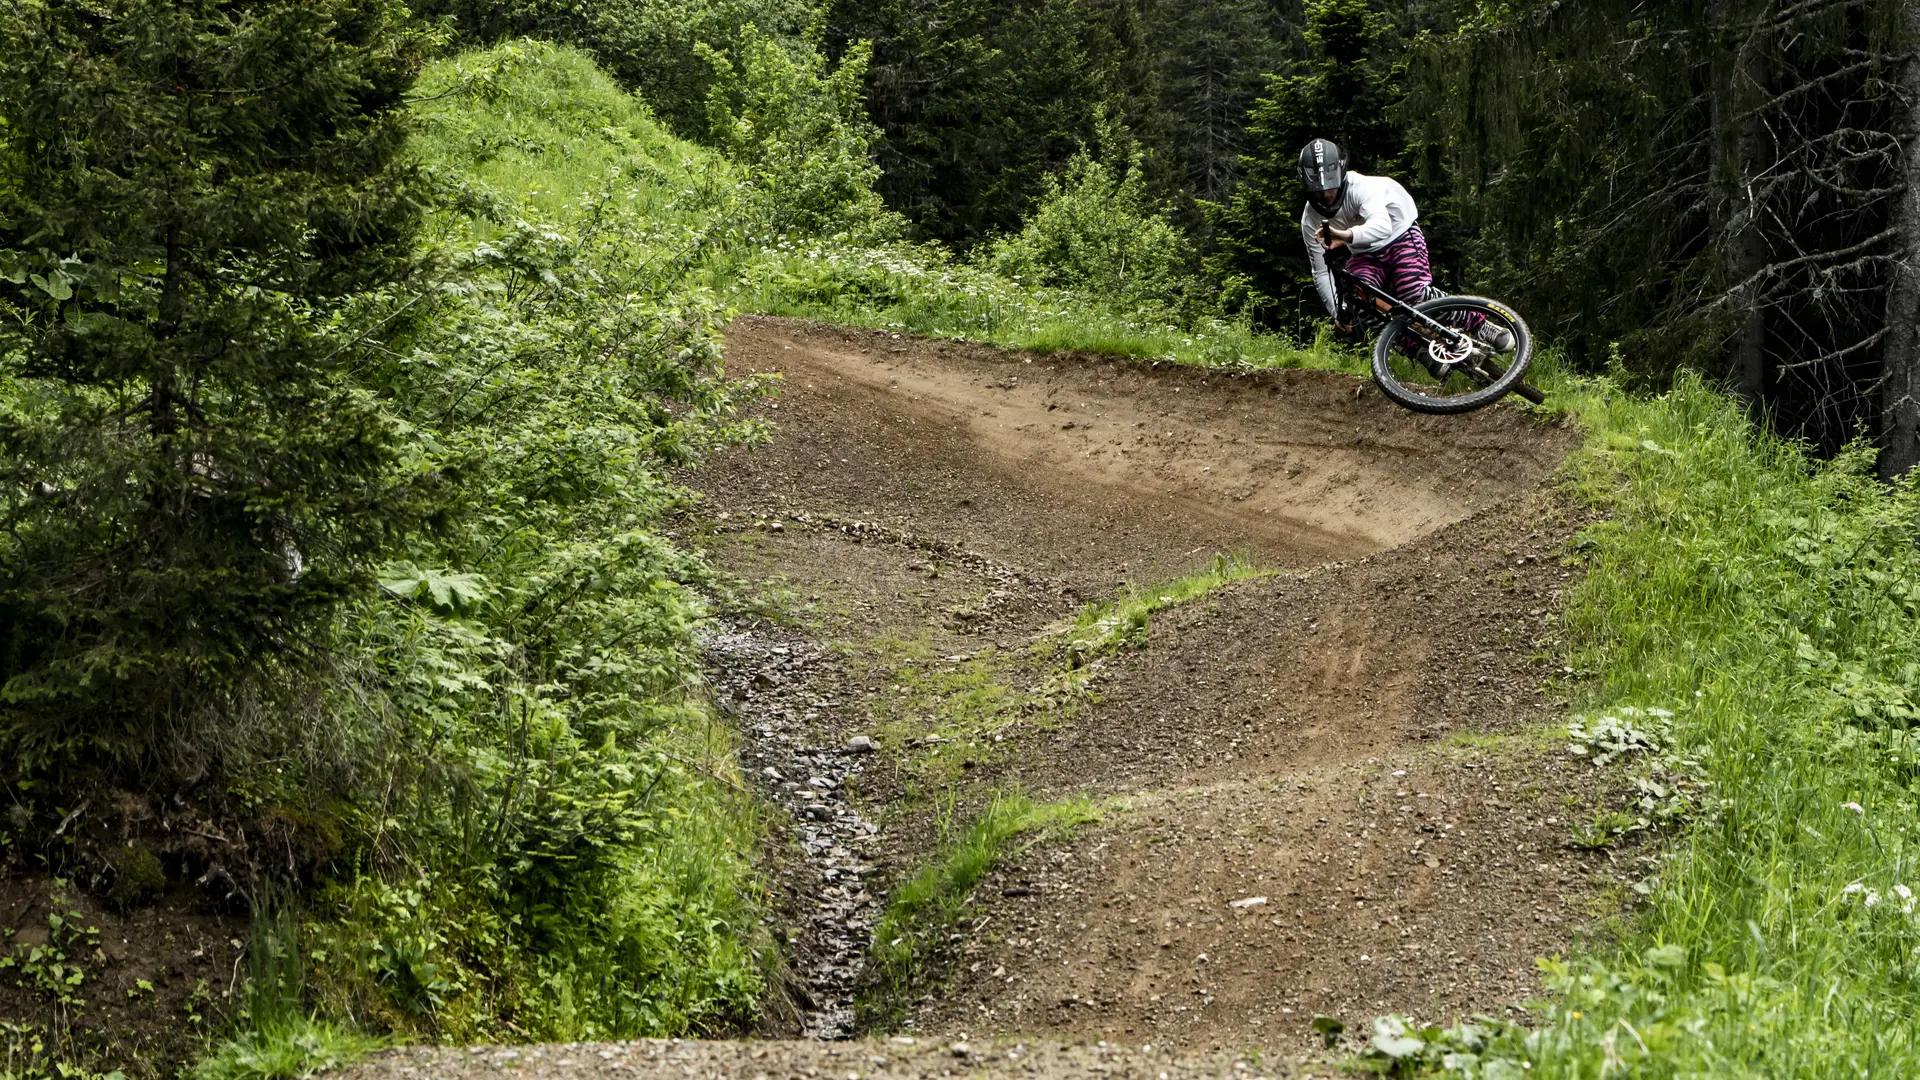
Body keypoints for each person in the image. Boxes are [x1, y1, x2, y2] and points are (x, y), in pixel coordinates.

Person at [1295, 137, 1513, 352]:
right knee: (1358, 298)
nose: (1325, 195)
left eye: (1330, 187)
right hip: (1365, 253)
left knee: (1414, 292)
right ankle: (1420, 352)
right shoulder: (1310, 219)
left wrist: (1343, 236)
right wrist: (1338, 312)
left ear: (1341, 176)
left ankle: (1480, 324)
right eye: (1317, 191)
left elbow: (1382, 227)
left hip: (1400, 234)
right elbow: (1321, 271)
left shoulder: (1361, 187)